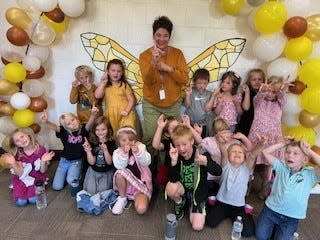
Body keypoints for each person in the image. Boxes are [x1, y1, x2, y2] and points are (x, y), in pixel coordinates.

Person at [139, 16, 189, 172]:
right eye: (158, 35)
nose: (161, 39)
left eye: (165, 35)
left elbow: (184, 79)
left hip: (173, 103)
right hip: (151, 103)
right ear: (153, 36)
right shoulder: (144, 55)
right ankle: (147, 171)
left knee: (173, 137)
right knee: (149, 136)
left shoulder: (178, 54)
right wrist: (154, 64)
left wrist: (166, 68)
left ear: (170, 36)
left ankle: (165, 170)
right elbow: (147, 81)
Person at [256, 139, 320, 240]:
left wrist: (309, 151)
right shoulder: (281, 166)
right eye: (288, 152)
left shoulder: (310, 174)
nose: (290, 155)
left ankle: (275, 229)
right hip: (271, 210)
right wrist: (282, 144)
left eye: (295, 153)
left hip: (291, 217)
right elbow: (265, 152)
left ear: (305, 159)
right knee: (261, 236)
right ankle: (274, 228)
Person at [165, 124, 222, 231]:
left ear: (191, 141)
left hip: (198, 194)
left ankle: (192, 204)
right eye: (177, 145)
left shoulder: (201, 153)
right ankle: (179, 202)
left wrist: (206, 163)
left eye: (184, 144)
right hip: (182, 189)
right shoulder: (174, 154)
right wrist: (173, 162)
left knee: (197, 226)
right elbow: (172, 180)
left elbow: (218, 171)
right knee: (171, 187)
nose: (181, 149)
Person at [206, 138, 264, 237]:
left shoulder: (246, 168)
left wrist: (260, 144)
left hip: (238, 206)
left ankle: (247, 212)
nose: (237, 153)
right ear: (228, 156)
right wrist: (220, 142)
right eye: (233, 151)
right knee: (210, 223)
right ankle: (213, 202)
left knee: (248, 232)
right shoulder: (225, 166)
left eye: (240, 152)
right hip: (222, 203)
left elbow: (253, 155)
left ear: (244, 157)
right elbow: (224, 152)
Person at [248, 75, 291, 200]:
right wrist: (262, 91)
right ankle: (246, 184)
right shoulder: (259, 101)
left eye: (274, 92)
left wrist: (282, 90)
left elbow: (283, 98)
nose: (270, 94)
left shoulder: (279, 104)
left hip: (273, 137)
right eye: (268, 90)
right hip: (257, 136)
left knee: (269, 164)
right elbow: (257, 98)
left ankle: (265, 188)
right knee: (251, 160)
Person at [40, 106, 99, 196]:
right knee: (56, 187)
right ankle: (68, 175)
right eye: (68, 123)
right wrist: (46, 122)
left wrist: (93, 115)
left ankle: (76, 179)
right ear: (66, 127)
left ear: (76, 118)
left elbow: (90, 123)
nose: (72, 123)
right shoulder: (63, 131)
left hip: (77, 161)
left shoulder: (83, 129)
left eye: (73, 120)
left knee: (71, 180)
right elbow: (55, 127)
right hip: (64, 160)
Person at [192, 118, 252, 195]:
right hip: (213, 174)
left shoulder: (234, 142)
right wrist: (198, 134)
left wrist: (243, 137)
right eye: (223, 132)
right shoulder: (210, 141)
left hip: (229, 175)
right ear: (216, 133)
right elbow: (199, 144)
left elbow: (249, 148)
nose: (227, 134)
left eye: (228, 131)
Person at [1, 128, 54, 206]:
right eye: (17, 141)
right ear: (16, 145)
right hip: (23, 178)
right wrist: (13, 163)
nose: (21, 140)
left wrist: (43, 160)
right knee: (21, 203)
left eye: (22, 137)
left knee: (32, 200)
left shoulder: (40, 149)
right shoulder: (18, 154)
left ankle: (26, 191)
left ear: (28, 136)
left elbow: (43, 171)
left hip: (37, 178)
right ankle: (17, 189)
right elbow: (20, 174)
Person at [111, 126, 152, 215]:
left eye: (130, 139)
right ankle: (123, 198)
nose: (127, 142)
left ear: (135, 140)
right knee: (119, 173)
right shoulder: (117, 152)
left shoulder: (140, 147)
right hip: (126, 185)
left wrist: (138, 152)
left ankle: (136, 197)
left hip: (141, 184)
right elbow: (119, 166)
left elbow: (147, 162)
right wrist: (125, 153)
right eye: (124, 140)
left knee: (141, 209)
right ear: (119, 141)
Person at [95, 59, 136, 135]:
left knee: (127, 134)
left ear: (122, 73)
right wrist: (103, 83)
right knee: (114, 135)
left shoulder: (124, 85)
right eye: (113, 70)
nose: (115, 73)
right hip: (111, 115)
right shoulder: (105, 85)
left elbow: (131, 100)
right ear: (107, 71)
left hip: (125, 114)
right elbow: (97, 95)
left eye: (118, 71)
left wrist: (127, 111)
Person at [82, 116, 117, 195]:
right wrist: (88, 151)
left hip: (106, 172)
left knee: (102, 193)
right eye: (97, 130)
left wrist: (105, 150)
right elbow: (92, 162)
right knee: (90, 192)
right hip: (93, 171)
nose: (100, 132)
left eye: (103, 129)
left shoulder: (112, 142)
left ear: (109, 130)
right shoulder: (92, 141)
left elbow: (109, 162)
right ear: (94, 130)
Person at [184, 68, 214, 138]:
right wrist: (188, 95)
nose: (201, 85)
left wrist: (213, 96)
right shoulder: (191, 91)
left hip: (202, 125)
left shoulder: (209, 94)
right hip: (189, 123)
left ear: (208, 82)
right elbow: (186, 105)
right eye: (199, 83)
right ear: (194, 82)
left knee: (201, 141)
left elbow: (208, 109)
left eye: (204, 83)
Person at [152, 114, 179, 186]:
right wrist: (160, 127)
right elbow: (155, 145)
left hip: (183, 167)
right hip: (170, 167)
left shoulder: (185, 139)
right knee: (161, 177)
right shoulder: (168, 142)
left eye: (178, 126)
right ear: (167, 134)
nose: (178, 130)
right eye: (174, 128)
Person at [237, 69, 265, 136]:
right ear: (249, 81)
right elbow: (246, 108)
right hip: (248, 122)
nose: (257, 82)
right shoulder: (248, 92)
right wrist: (247, 93)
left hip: (260, 123)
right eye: (254, 80)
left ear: (264, 81)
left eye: (259, 79)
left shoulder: (266, 93)